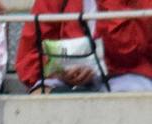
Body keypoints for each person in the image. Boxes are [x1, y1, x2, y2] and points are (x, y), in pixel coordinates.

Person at [15, 0, 152, 92]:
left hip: (125, 75)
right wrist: (61, 72)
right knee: (40, 94)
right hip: (64, 78)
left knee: (131, 97)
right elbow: (28, 58)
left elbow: (127, 51)